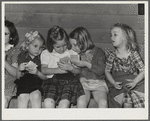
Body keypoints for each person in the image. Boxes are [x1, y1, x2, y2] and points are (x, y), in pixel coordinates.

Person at [41, 26, 85, 108]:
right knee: (48, 102)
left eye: (64, 45)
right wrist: (58, 70)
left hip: (69, 83)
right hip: (52, 82)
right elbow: (43, 70)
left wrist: (71, 68)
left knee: (64, 104)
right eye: (58, 47)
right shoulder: (46, 53)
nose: (62, 49)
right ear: (51, 44)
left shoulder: (72, 53)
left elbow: (79, 71)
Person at [105, 23, 145, 108]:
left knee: (134, 96)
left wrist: (135, 82)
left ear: (125, 37)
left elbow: (143, 70)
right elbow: (107, 71)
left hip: (132, 81)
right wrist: (113, 83)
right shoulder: (112, 55)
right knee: (122, 98)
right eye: (111, 35)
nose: (112, 37)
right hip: (118, 82)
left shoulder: (133, 54)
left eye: (115, 34)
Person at [69, 27, 108, 108]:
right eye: (71, 45)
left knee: (103, 103)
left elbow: (102, 70)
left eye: (75, 45)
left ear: (84, 42)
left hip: (98, 82)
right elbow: (76, 73)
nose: (73, 48)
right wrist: (72, 67)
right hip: (83, 83)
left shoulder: (99, 52)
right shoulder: (75, 54)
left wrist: (86, 64)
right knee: (81, 102)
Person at [14, 31, 47, 108]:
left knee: (36, 96)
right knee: (22, 96)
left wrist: (37, 73)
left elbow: (45, 77)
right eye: (35, 46)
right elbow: (18, 77)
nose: (38, 49)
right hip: (23, 83)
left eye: (40, 47)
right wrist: (19, 69)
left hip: (36, 83)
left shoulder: (42, 58)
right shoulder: (22, 57)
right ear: (27, 46)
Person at [5, 20, 21, 108]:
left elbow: (16, 74)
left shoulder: (14, 52)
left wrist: (4, 62)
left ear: (11, 37)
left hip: (8, 84)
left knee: (3, 100)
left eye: (5, 34)